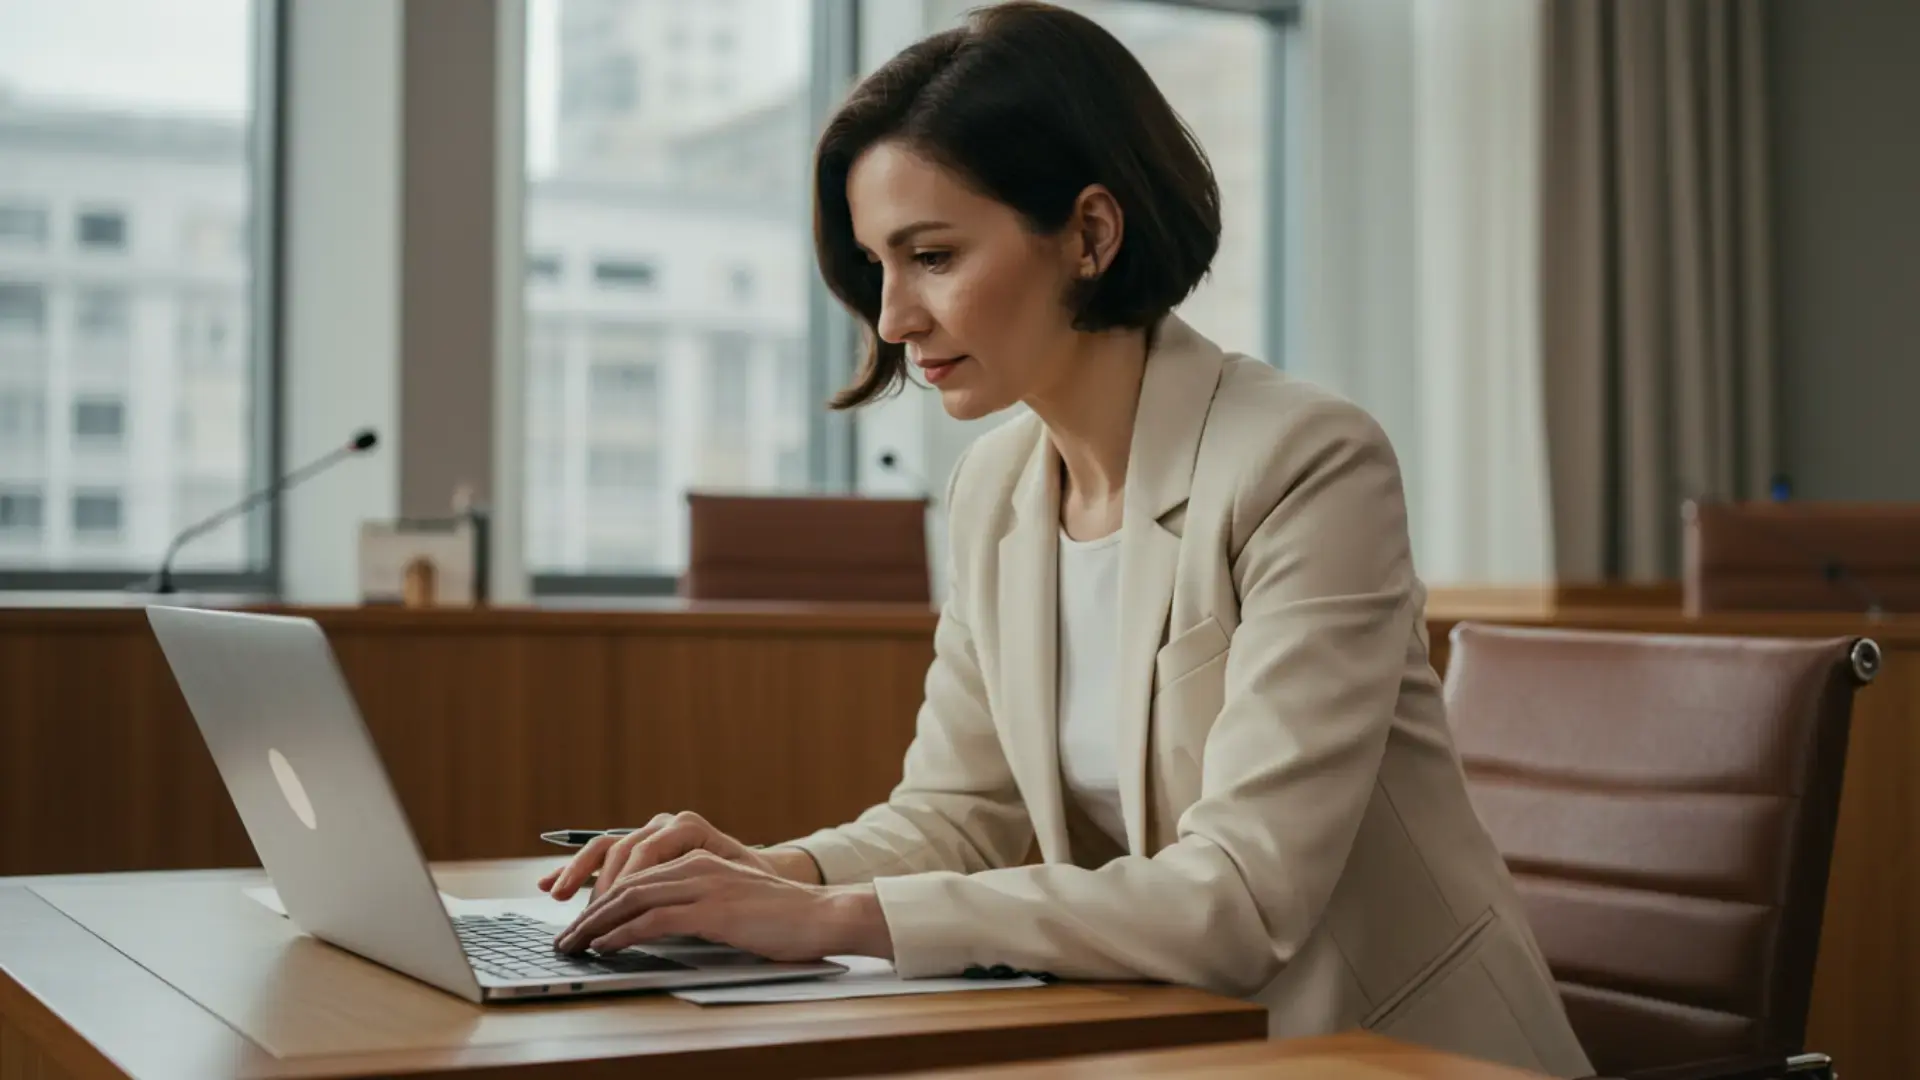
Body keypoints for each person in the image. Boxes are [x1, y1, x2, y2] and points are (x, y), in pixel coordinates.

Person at [540, 3, 1590, 1073]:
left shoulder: (1306, 462)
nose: (893, 317)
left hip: (1392, 1051)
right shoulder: (995, 490)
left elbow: (1240, 896)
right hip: (1189, 1045)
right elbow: (955, 818)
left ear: (1091, 233)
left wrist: (834, 920)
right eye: (877, 267)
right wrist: (768, 875)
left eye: (933, 255)